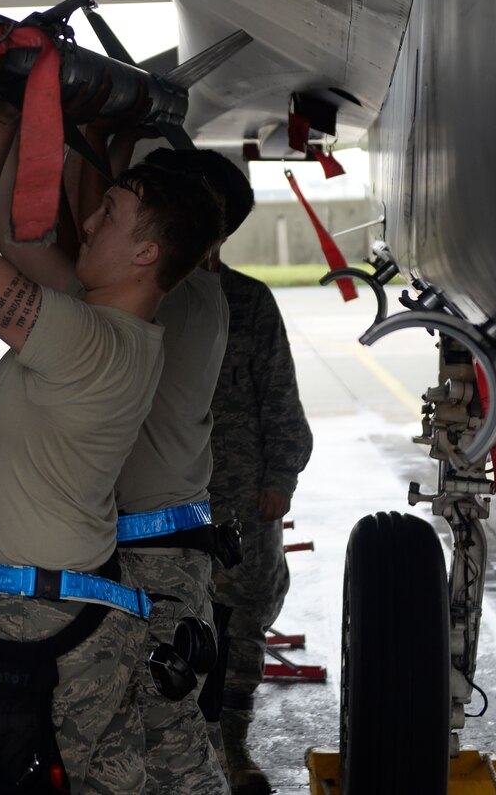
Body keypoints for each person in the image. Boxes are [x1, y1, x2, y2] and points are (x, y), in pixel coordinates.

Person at [0, 98, 227, 795]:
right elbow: (15, 237)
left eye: (110, 216)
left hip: (38, 622)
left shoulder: (88, 342)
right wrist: (53, 121)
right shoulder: (110, 326)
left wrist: (1, 114)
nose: (87, 222)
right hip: (72, 612)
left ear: (147, 253)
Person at [5, 137, 239, 795]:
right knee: (145, 737)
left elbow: (63, 255)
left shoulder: (174, 298)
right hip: (156, 547)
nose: (97, 224)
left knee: (170, 738)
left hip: (156, 552)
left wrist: (88, 142)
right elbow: (92, 241)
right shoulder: (192, 292)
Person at [202, 183, 313, 795]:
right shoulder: (150, 299)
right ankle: (180, 739)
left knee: (242, 624)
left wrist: (279, 478)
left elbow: (279, 395)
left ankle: (232, 745)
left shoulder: (247, 301)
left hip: (243, 495)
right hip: (165, 495)